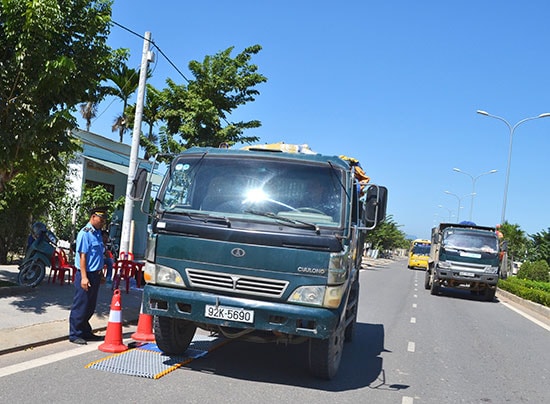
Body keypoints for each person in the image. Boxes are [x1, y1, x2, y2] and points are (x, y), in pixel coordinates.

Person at [68, 206, 108, 345]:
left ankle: (85, 332)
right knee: (81, 305)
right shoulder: (85, 233)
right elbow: (83, 257)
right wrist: (84, 277)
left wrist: (101, 273)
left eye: (104, 220)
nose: (102, 222)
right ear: (93, 217)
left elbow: (98, 256)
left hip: (95, 274)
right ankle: (75, 333)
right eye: (100, 219)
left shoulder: (97, 233)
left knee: (90, 306)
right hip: (86, 274)